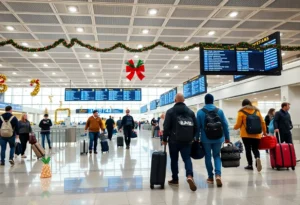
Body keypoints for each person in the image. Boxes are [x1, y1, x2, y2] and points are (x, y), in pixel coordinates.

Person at [163, 93, 197, 191]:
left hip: (173, 141)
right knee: (187, 158)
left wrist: (165, 139)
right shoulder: (190, 112)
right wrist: (192, 137)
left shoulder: (170, 112)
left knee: (174, 159)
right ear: (184, 100)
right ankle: (189, 175)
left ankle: (175, 179)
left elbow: (166, 127)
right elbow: (196, 126)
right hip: (187, 141)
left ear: (175, 100)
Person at [196, 94, 230, 187]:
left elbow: (197, 127)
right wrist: (227, 138)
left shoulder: (200, 112)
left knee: (208, 156)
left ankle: (210, 177)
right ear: (213, 100)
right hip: (218, 138)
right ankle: (218, 175)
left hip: (205, 138)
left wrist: (196, 139)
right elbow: (225, 125)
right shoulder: (219, 111)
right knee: (216, 156)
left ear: (205, 101)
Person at [234, 99, 266, 172]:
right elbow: (263, 122)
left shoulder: (241, 112)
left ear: (243, 105)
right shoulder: (257, 111)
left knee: (248, 149)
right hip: (257, 134)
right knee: (255, 148)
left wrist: (235, 127)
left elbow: (238, 124)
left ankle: (250, 165)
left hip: (246, 135)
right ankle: (257, 157)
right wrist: (264, 132)